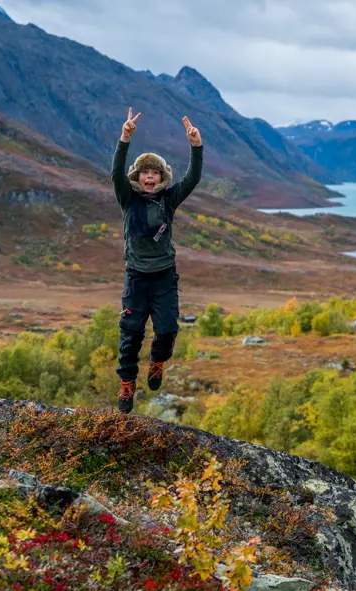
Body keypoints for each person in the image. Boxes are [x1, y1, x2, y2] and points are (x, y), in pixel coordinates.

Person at [111, 107, 203, 413]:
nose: (150, 177)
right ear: (137, 176)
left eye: (155, 172)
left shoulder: (169, 200)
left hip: (164, 277)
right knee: (131, 333)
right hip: (136, 278)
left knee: (166, 329)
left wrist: (196, 147)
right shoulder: (128, 198)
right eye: (145, 172)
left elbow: (193, 178)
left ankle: (158, 362)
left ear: (161, 177)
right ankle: (127, 386)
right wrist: (125, 139)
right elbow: (115, 174)